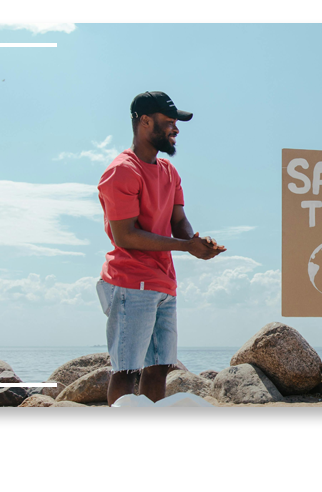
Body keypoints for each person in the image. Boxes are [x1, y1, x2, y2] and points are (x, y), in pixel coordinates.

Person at [96, 91, 225, 406]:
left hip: (164, 283)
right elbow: (125, 235)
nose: (175, 130)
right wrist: (185, 246)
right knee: (126, 370)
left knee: (159, 369)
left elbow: (178, 219)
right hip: (130, 283)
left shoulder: (169, 172)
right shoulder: (122, 171)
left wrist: (196, 241)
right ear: (145, 122)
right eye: (169, 123)